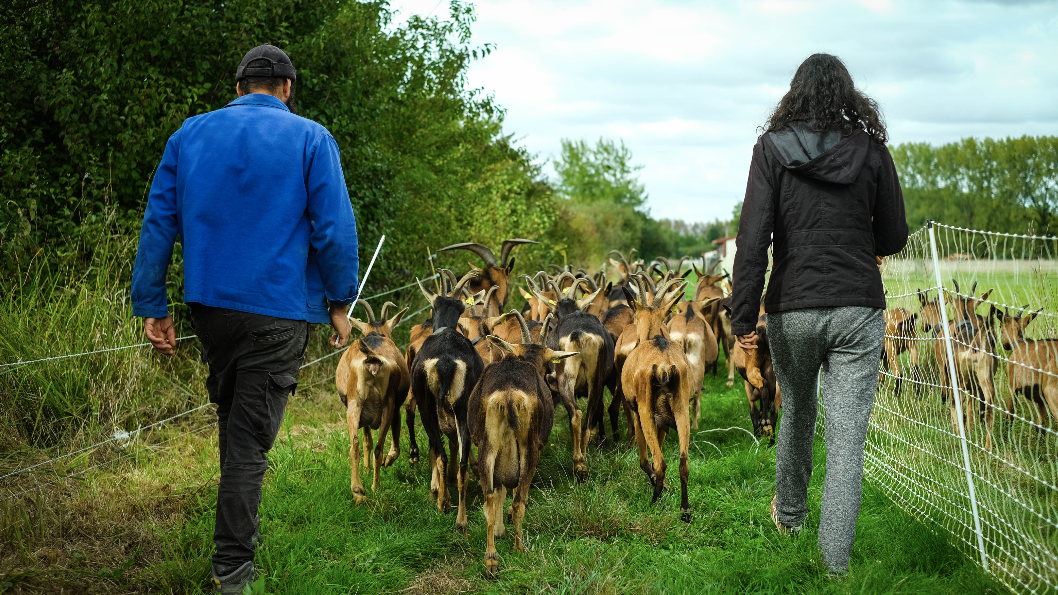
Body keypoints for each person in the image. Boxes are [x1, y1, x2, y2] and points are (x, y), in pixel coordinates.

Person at [131, 44, 359, 593]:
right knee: (250, 443)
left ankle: (230, 541)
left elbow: (159, 220)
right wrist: (339, 301)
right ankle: (232, 572)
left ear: (238, 89)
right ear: (287, 88)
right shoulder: (310, 137)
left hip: (209, 307)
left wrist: (152, 304)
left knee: (235, 425)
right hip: (276, 311)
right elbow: (334, 229)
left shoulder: (189, 135)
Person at [730, 53, 908, 576]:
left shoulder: (770, 150)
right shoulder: (871, 149)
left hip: (793, 308)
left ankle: (788, 517)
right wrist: (863, 242)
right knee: (848, 443)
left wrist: (743, 318)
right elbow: (895, 235)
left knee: (799, 413)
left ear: (794, 95)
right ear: (849, 96)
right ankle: (835, 568)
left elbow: (752, 238)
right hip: (858, 308)